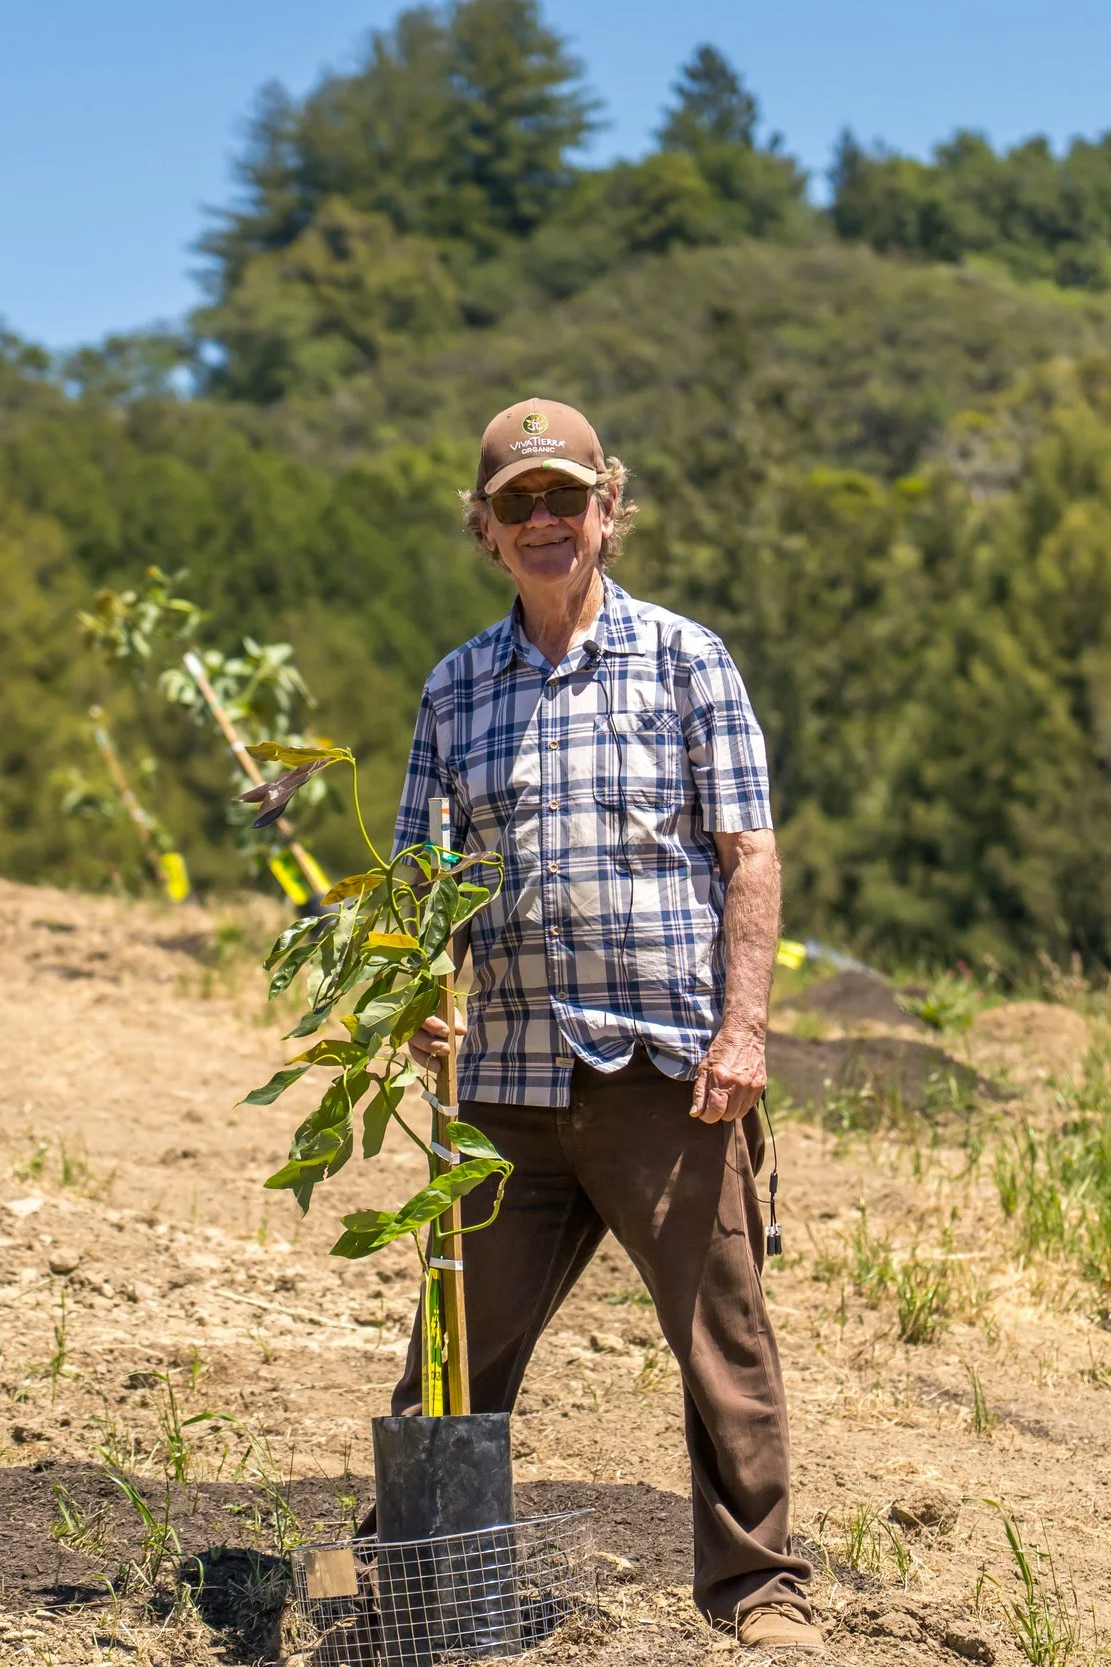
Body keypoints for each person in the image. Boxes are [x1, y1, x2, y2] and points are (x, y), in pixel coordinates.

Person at [392, 398, 822, 1653]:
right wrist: (425, 992)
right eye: (516, 502)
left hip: (664, 1072)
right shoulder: (454, 687)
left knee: (721, 1340)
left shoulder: (687, 659)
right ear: (483, 527)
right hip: (509, 1081)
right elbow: (425, 880)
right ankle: (421, 1583)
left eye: (563, 498)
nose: (543, 521)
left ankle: (759, 1591)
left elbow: (748, 855)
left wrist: (743, 1031)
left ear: (608, 511)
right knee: (452, 1346)